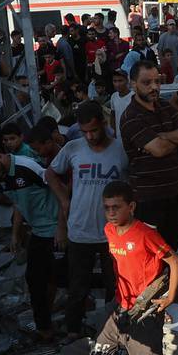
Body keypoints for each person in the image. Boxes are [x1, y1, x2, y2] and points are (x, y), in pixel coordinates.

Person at [91, 181, 178, 355]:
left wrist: (170, 296)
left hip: (144, 308)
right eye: (107, 207)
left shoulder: (145, 233)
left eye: (116, 207)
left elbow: (174, 260)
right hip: (121, 304)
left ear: (131, 207)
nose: (111, 213)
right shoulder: (109, 231)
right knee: (101, 353)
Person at [47, 100, 129, 333]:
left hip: (112, 233)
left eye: (94, 130)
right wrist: (64, 200)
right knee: (77, 288)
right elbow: (51, 173)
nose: (90, 136)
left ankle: (116, 333)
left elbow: (132, 184)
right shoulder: (73, 148)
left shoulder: (120, 151)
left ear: (103, 124)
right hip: (79, 230)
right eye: (85, 132)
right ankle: (73, 332)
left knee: (116, 286)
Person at [117, 59, 178, 270]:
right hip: (148, 199)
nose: (154, 87)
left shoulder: (165, 107)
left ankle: (171, 294)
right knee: (152, 258)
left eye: (157, 81)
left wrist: (162, 136)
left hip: (172, 193)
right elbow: (159, 149)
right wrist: (168, 141)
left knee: (171, 249)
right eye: (146, 82)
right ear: (133, 84)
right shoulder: (130, 117)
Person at [7, 119, 65, 341]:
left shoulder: (59, 162)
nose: (36, 154)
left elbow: (63, 198)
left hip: (58, 228)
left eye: (39, 148)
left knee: (61, 276)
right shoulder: (42, 163)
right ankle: (45, 323)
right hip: (43, 230)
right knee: (41, 277)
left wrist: (62, 228)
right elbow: (20, 203)